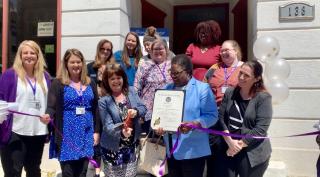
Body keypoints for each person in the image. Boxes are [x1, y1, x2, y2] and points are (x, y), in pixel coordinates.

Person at [156, 54, 218, 177]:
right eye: (171, 72)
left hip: (192, 152)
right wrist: (158, 127)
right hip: (171, 151)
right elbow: (160, 115)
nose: (173, 76)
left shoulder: (202, 89)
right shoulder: (166, 89)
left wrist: (195, 123)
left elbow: (212, 116)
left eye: (177, 73)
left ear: (189, 71)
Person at [44, 48, 100, 177]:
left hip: (86, 133)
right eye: (72, 62)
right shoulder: (58, 83)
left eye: (79, 62)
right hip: (67, 134)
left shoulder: (90, 82)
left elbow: (96, 108)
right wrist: (48, 115)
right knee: (68, 172)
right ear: (66, 64)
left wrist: (96, 131)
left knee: (83, 172)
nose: (76, 65)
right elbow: (51, 106)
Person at [212, 60, 272, 177]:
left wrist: (237, 146)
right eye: (240, 73)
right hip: (228, 146)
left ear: (257, 79)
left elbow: (260, 129)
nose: (241, 77)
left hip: (251, 151)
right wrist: (229, 141)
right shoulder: (230, 92)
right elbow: (221, 117)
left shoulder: (263, 98)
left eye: (246, 75)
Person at [0, 40, 51, 177]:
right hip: (15, 131)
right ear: (20, 55)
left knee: (34, 171)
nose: (29, 56)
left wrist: (49, 115)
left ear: (38, 55)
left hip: (37, 132)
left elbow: (50, 104)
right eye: (25, 53)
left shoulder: (45, 77)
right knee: (13, 172)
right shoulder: (10, 75)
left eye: (33, 53)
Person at [98, 64, 147, 177]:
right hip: (113, 148)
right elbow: (107, 126)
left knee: (131, 174)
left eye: (118, 78)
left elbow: (143, 108)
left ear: (123, 78)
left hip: (131, 146)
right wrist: (121, 133)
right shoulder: (104, 101)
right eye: (112, 79)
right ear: (107, 81)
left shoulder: (131, 91)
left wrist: (136, 111)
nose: (116, 81)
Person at [134, 39, 173, 133]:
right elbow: (136, 87)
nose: (158, 51)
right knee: (149, 140)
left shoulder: (172, 65)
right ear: (150, 51)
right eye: (155, 49)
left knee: (165, 139)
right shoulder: (144, 65)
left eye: (161, 48)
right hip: (148, 109)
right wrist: (137, 108)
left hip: (168, 107)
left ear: (166, 50)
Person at [205, 40, 244, 106]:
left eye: (226, 50)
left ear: (236, 51)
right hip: (214, 109)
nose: (223, 53)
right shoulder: (215, 67)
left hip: (236, 109)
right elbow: (203, 88)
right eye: (221, 51)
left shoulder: (244, 68)